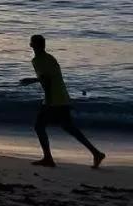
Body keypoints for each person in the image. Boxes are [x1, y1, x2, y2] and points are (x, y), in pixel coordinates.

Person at [19, 34, 105, 169]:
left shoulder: (38, 60)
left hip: (54, 100)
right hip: (63, 97)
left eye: (31, 42)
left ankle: (48, 158)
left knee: (39, 126)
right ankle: (96, 153)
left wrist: (47, 102)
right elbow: (51, 78)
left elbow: (47, 81)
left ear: (32, 45)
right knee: (68, 127)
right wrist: (33, 80)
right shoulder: (50, 58)